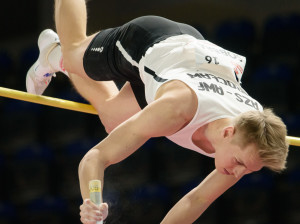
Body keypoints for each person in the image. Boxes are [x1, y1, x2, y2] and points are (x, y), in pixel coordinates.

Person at [26, 0, 289, 223]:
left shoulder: (246, 140)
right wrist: (92, 202)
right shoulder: (174, 110)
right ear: (228, 131)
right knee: (75, 54)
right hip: (147, 41)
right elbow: (95, 157)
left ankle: (54, 57)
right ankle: (61, 54)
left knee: (113, 119)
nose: (238, 174)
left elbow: (198, 198)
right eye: (241, 164)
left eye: (250, 170)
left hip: (184, 63)